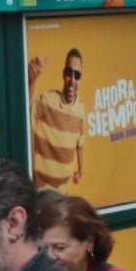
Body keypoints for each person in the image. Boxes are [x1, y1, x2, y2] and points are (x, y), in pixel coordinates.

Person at [26, 48, 86, 189]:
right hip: (41, 190)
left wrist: (81, 171)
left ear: (80, 79)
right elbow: (26, 106)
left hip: (64, 191)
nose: (72, 80)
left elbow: (80, 144)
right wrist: (31, 80)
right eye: (68, 73)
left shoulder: (81, 110)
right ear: (63, 74)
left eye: (77, 75)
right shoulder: (47, 100)